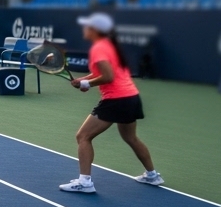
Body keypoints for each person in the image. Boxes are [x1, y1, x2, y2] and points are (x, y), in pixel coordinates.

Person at [59, 12, 163, 193]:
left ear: (95, 30)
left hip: (116, 99)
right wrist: (85, 80)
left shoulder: (99, 48)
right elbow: (105, 72)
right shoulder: (110, 45)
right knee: (130, 137)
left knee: (83, 137)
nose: (84, 29)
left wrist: (87, 83)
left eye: (88, 26)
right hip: (131, 97)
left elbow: (108, 76)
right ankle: (152, 175)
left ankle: (85, 183)